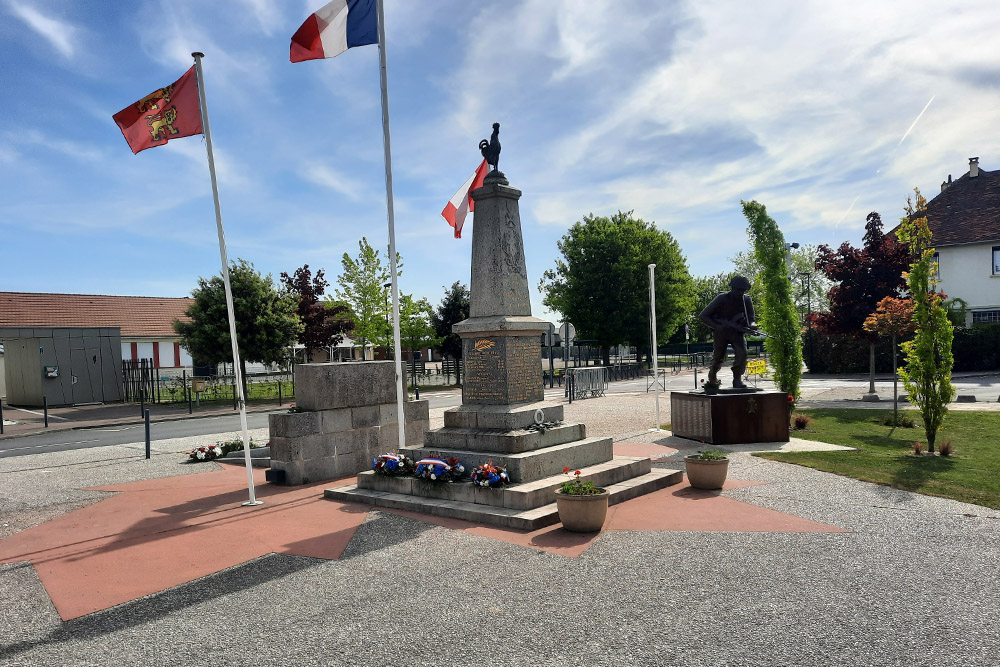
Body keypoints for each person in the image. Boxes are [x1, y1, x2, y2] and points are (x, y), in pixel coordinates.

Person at [698, 275, 756, 389]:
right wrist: (717, 326)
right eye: (738, 290)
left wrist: (752, 326)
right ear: (732, 288)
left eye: (743, 290)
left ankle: (737, 378)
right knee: (718, 357)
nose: (740, 293)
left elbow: (751, 318)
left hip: (737, 333)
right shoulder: (722, 298)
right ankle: (712, 375)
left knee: (742, 354)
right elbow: (703, 316)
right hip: (722, 333)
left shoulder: (746, 300)